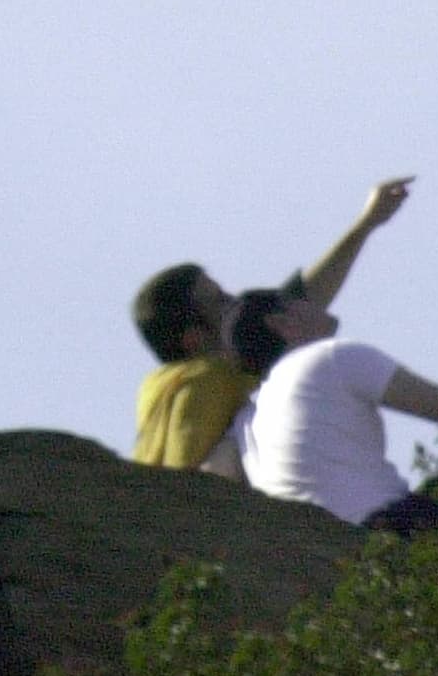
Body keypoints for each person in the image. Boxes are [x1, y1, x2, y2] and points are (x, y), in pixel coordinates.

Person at [203, 288, 438, 537]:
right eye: (299, 300)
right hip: (393, 530)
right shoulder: (329, 357)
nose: (314, 301)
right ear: (283, 324)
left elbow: (211, 482)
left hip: (326, 559)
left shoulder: (244, 423)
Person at [131, 177, 413, 469]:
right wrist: (367, 222)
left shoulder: (159, 388)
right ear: (194, 339)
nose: (234, 303)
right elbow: (290, 311)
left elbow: (293, 306)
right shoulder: (211, 378)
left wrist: (368, 222)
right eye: (219, 301)